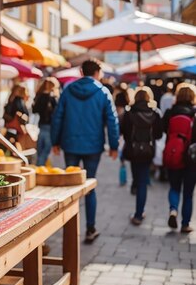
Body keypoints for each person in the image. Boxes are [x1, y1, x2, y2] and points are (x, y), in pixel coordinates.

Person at [51, 59, 120, 243]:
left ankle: (69, 228)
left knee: (70, 186)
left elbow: (58, 117)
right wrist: (114, 146)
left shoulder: (68, 90)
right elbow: (112, 121)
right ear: (97, 72)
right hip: (93, 146)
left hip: (70, 144)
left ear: (81, 72)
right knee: (89, 186)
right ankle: (90, 228)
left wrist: (55, 141)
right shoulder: (103, 92)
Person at [120, 87, 163, 225]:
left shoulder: (129, 112)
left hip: (133, 151)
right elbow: (158, 134)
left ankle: (135, 187)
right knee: (143, 181)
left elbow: (124, 132)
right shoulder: (155, 113)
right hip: (148, 151)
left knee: (137, 177)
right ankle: (139, 213)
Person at [162, 83, 196, 233]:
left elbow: (162, 130)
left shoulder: (170, 112)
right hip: (191, 159)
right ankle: (185, 224)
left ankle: (173, 210)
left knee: (174, 187)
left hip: (174, 154)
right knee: (188, 193)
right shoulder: (195, 114)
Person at [32, 77, 60, 166]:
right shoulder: (52, 98)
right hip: (50, 126)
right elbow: (57, 113)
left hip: (41, 125)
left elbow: (34, 110)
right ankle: (40, 166)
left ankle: (39, 166)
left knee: (40, 149)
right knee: (46, 149)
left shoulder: (39, 96)